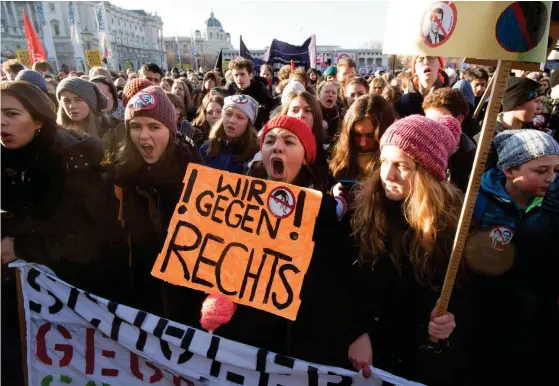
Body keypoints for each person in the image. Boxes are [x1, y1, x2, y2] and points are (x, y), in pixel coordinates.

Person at [1, 81, 118, 384]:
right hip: (11, 300)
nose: (2, 122)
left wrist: (23, 247)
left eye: (12, 113)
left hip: (65, 303)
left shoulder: (73, 156)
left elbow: (87, 238)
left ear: (38, 120)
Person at [215, 115, 355, 368]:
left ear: (305, 157)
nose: (277, 147)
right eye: (269, 141)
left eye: (289, 142)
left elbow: (338, 285)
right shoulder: (241, 204)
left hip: (301, 344)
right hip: (249, 343)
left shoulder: (324, 213)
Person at [348, 115, 469, 385]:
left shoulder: (453, 227)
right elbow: (344, 285)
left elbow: (463, 295)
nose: (388, 175)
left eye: (402, 166)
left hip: (415, 362)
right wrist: (358, 332)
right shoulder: (362, 212)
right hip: (366, 360)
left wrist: (451, 321)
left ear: (427, 172)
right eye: (384, 162)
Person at [466, 130, 559, 385]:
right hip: (486, 317)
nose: (551, 178)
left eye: (555, 170)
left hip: (537, 317)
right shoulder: (478, 203)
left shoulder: (553, 204)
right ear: (509, 171)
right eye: (541, 171)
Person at [108, 86, 205, 316]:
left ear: (170, 130)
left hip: (185, 298)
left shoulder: (195, 174)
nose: (143, 136)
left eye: (153, 127)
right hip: (141, 292)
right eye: (135, 127)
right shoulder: (120, 175)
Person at [330, 95, 396, 182]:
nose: (363, 143)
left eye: (371, 136)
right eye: (357, 135)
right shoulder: (340, 157)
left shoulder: (396, 161)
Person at [423, 88, 477, 193]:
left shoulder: (474, 154)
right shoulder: (422, 151)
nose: (432, 128)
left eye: (439, 121)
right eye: (428, 121)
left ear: (459, 119)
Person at [200, 94, 259, 174]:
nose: (232, 120)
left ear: (248, 124)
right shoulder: (206, 148)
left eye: (239, 117)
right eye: (228, 114)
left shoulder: (256, 156)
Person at [55, 77, 110, 142]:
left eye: (78, 100)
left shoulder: (109, 129)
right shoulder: (54, 132)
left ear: (91, 103)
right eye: (66, 101)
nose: (72, 106)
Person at [226, 58, 274, 129]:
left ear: (250, 75)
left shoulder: (262, 92)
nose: (239, 78)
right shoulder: (231, 91)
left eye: (242, 74)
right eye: (236, 75)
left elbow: (271, 115)